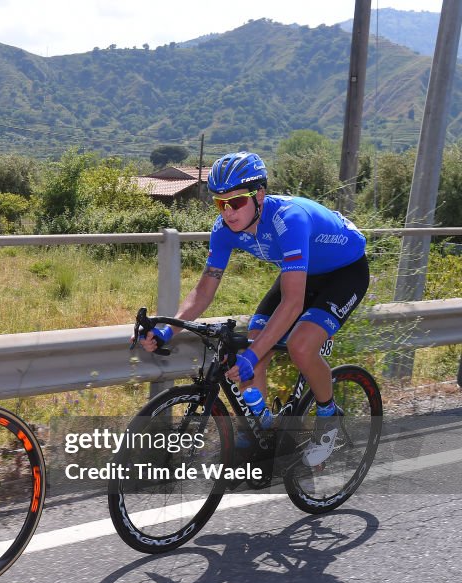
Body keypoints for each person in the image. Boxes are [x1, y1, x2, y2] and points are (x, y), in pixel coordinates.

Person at [139, 151, 369, 466]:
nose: (228, 212)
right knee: (253, 343)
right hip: (303, 272)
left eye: (236, 202)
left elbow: (292, 303)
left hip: (345, 272)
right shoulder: (224, 230)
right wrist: (168, 329)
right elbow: (203, 291)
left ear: (259, 195)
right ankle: (266, 432)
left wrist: (251, 355)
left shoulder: (289, 220)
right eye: (220, 203)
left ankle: (329, 419)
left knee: (300, 347)